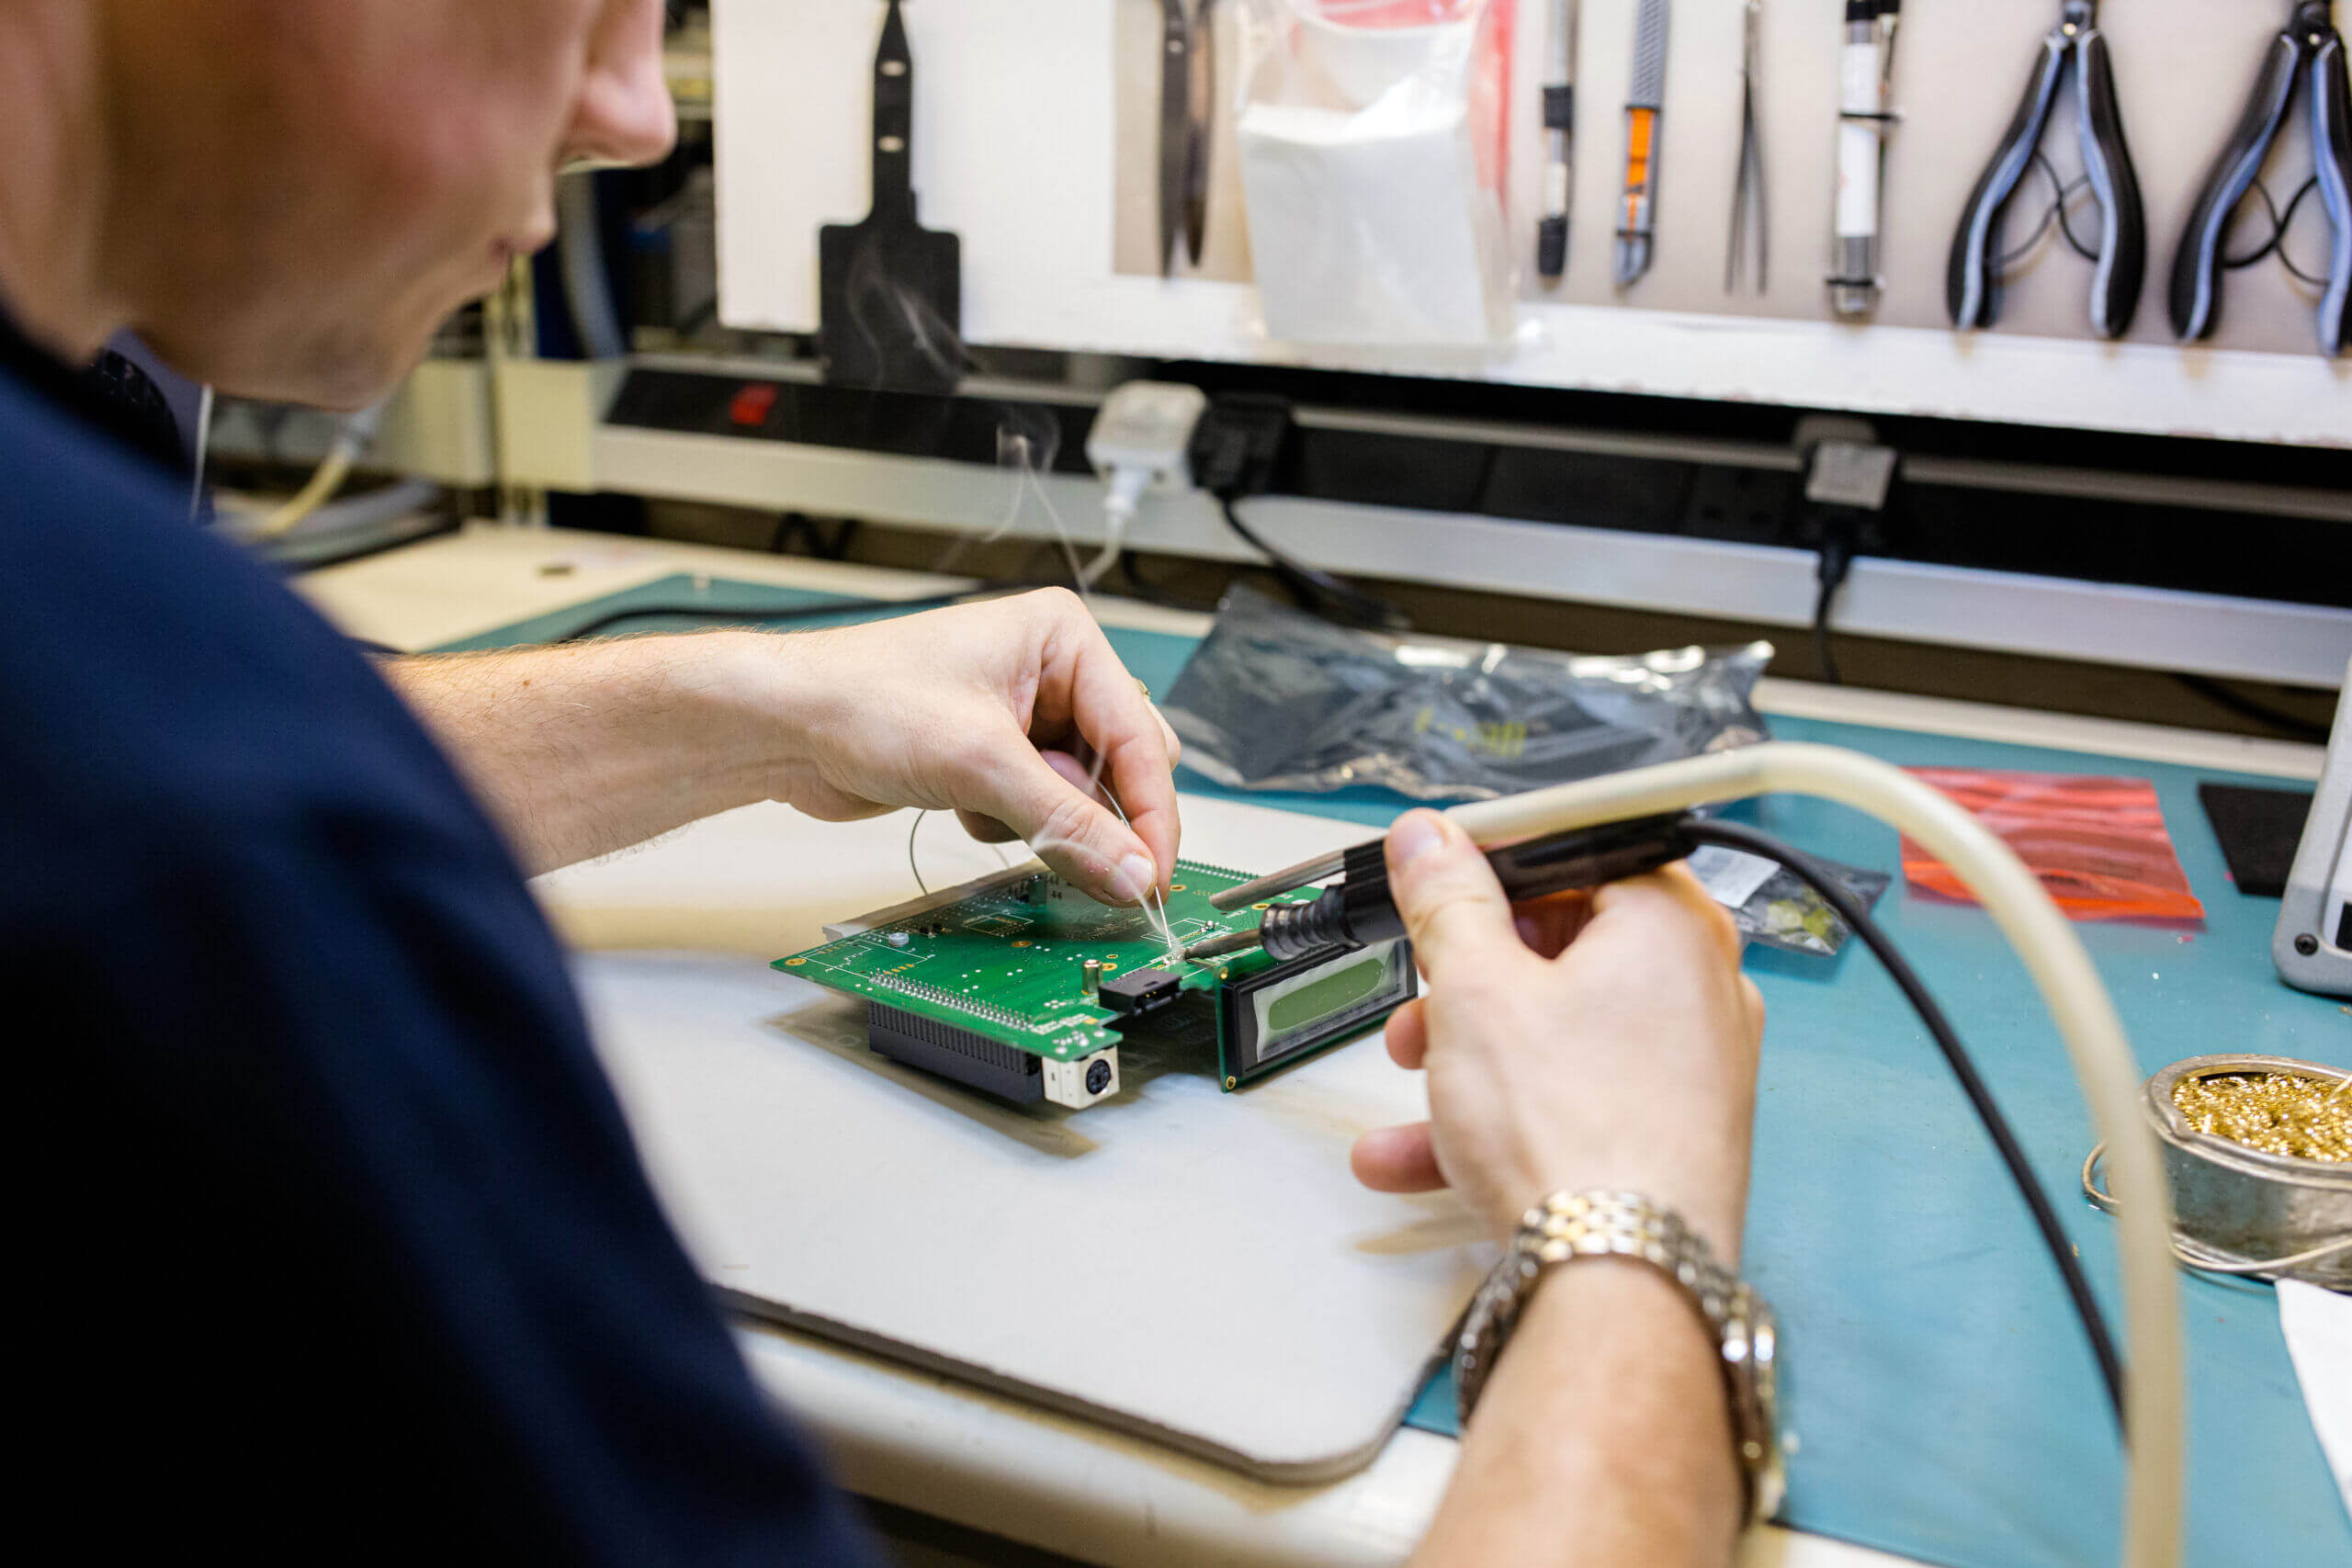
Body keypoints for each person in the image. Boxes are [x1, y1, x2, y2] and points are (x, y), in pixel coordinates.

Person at [0, 3, 1763, 1564]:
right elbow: (187, 782)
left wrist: (759, 707)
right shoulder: (200, 842)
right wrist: (1636, 1249)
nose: (635, 111)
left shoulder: (119, 666)